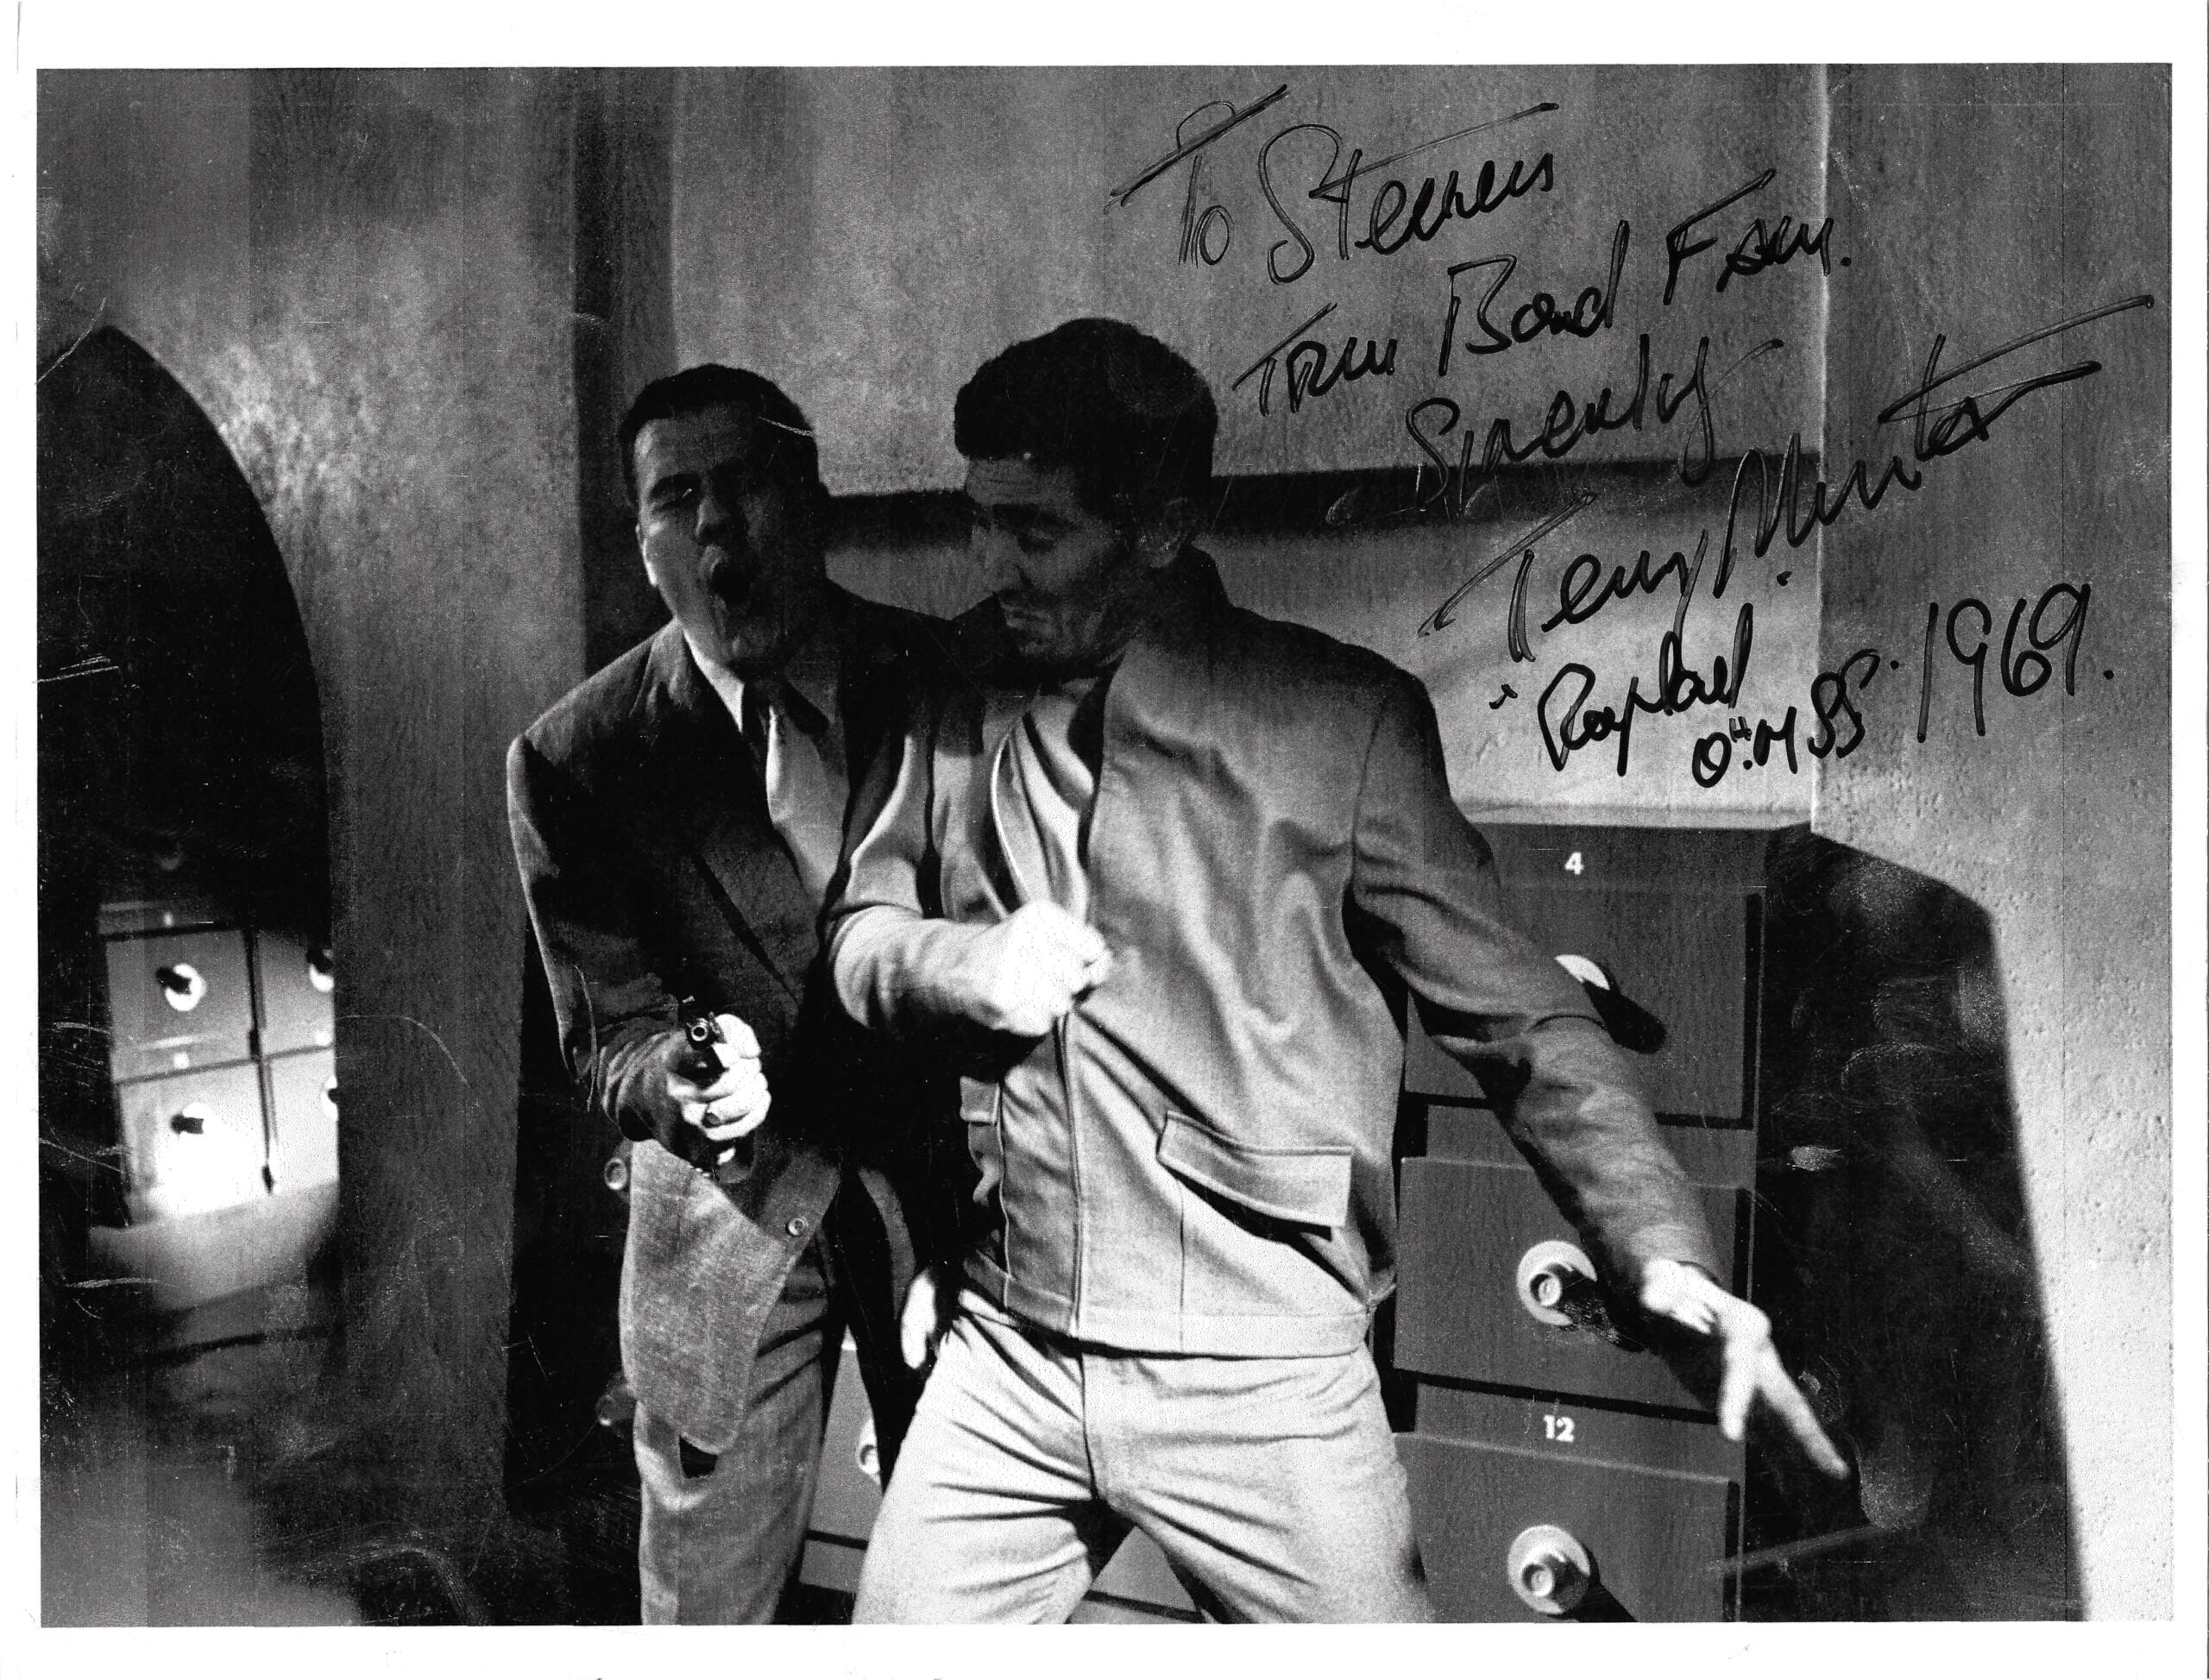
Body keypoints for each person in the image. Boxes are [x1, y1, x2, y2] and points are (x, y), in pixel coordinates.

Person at [826, 318, 1848, 1623]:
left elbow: (1524, 1018)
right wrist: (960, 966)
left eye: (1035, 532)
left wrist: (1660, 1257)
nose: (991, 566)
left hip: (1261, 1373)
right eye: (980, 521)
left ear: (1163, 525)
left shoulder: (1339, 722)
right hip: (1010, 1348)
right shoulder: (946, 689)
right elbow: (859, 936)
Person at [507, 365, 963, 1623]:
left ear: (813, 500)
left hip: (938, 1205)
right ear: (643, 545)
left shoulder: (941, 679)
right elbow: (607, 1034)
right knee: (704, 1617)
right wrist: (678, 1082)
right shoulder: (578, 755)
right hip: (724, 1219)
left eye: (746, 481)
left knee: (969, 1593)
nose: (716, 524)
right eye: (676, 498)